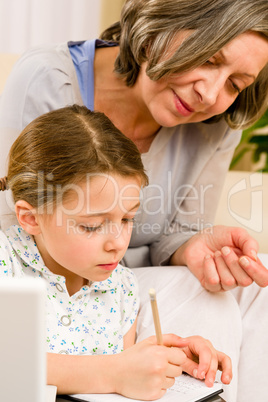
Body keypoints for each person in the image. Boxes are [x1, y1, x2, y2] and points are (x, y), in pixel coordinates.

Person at [0, 0, 267, 400]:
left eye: (235, 84)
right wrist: (112, 371)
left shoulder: (217, 121)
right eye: (209, 59)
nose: (211, 94)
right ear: (163, 25)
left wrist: (192, 246)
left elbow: (172, 238)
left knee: (253, 280)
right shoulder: (48, 79)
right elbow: (25, 233)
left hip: (112, 289)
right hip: (53, 285)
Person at [0, 104, 233, 399]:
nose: (117, 243)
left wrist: (167, 363)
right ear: (31, 218)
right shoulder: (5, 263)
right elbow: (7, 366)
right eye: (92, 226)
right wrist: (116, 371)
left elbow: (121, 381)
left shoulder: (120, 285)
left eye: (126, 219)